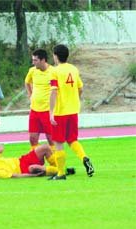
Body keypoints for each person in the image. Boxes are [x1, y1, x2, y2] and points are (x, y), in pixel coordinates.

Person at [49, 44, 94, 180]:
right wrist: (75, 99)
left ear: (56, 56)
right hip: (73, 110)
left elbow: (54, 92)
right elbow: (80, 88)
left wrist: (51, 112)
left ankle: (61, 173)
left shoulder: (55, 71)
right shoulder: (74, 69)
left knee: (58, 142)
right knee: (72, 139)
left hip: (60, 112)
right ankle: (84, 157)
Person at [0, 144, 75, 179]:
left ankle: (59, 169)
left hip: (22, 160)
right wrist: (32, 176)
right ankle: (63, 172)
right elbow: (14, 176)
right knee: (33, 168)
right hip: (23, 169)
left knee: (45, 148)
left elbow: (1, 147)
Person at [25, 49, 55, 151]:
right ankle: (36, 163)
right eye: (33, 60)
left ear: (43, 60)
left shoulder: (53, 72)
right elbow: (27, 82)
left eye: (35, 60)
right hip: (34, 110)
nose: (33, 63)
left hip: (47, 110)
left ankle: (56, 163)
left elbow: (57, 90)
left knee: (51, 139)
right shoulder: (32, 71)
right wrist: (30, 95)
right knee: (32, 138)